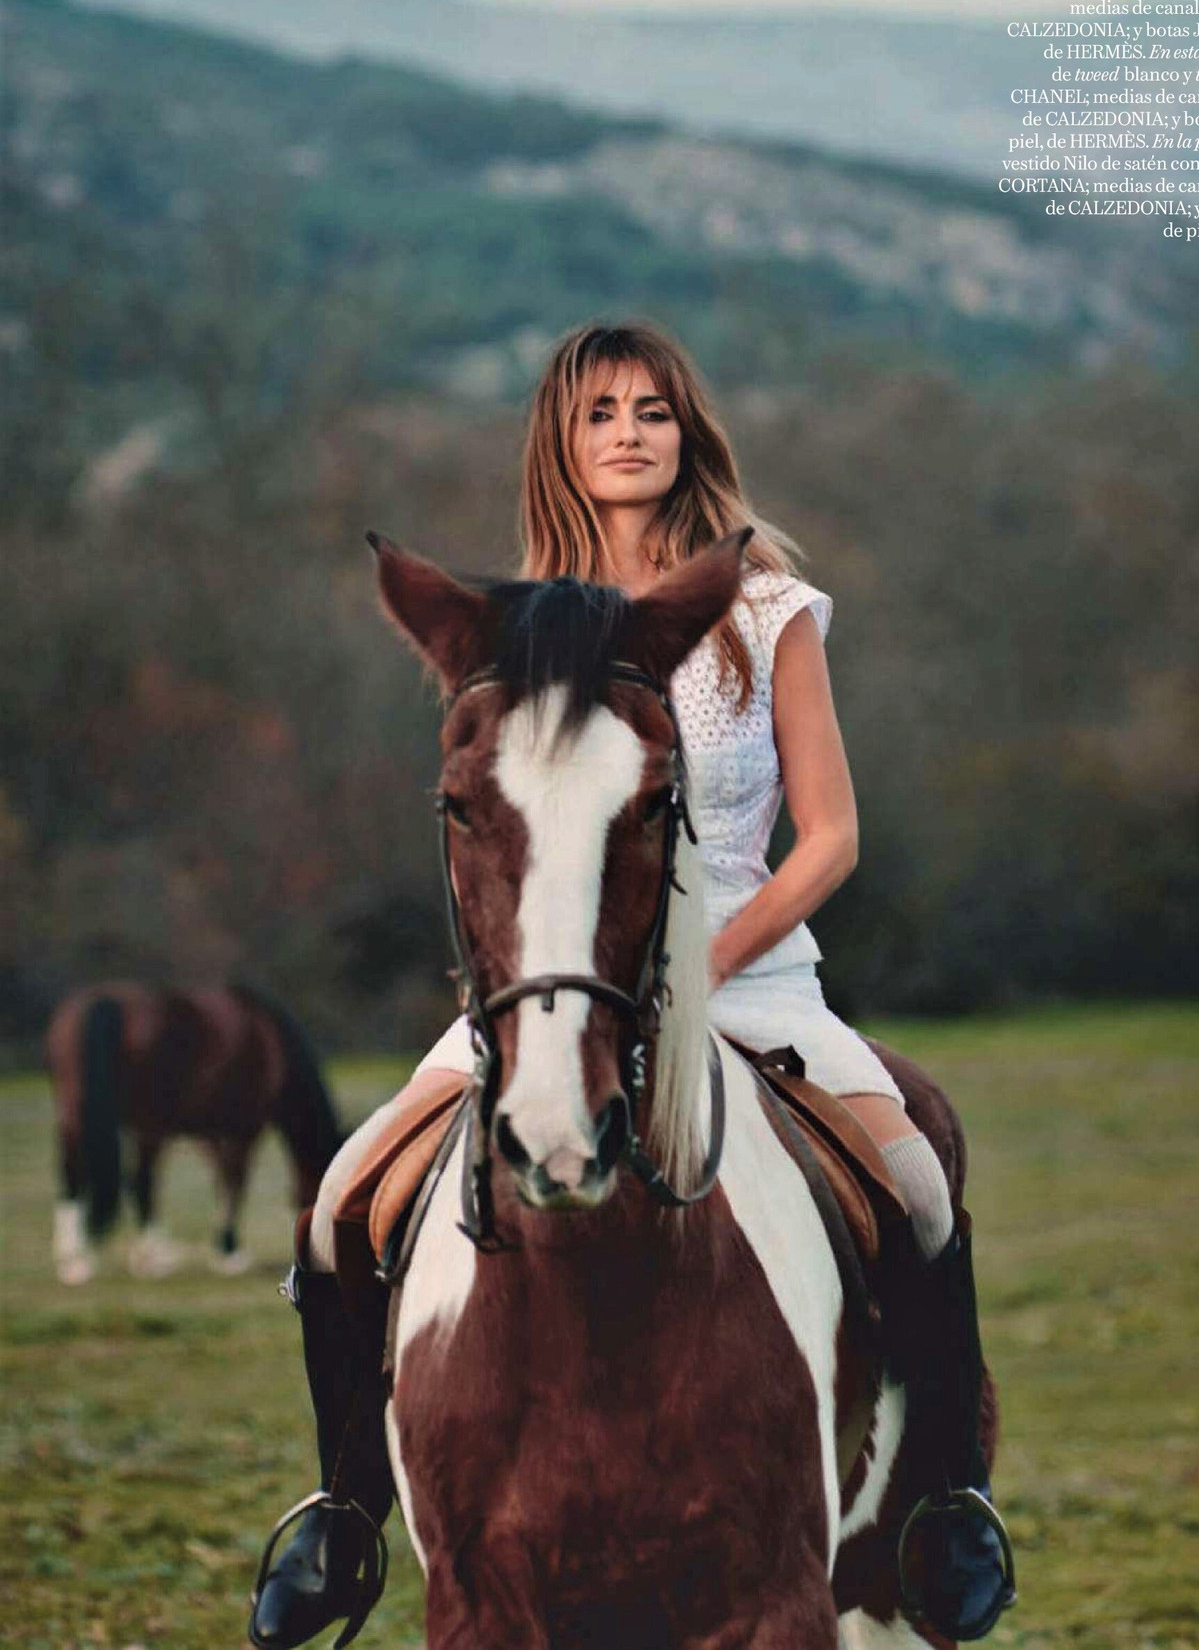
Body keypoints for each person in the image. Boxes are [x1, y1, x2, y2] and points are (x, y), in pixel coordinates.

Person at [249, 321, 1013, 1647]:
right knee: (337, 1207)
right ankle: (347, 1510)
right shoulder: (520, 632)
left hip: (750, 987)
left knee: (917, 1187)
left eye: (653, 410)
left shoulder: (765, 610)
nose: (628, 434)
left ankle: (942, 1504)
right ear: (561, 438)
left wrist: (700, 966)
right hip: (551, 993)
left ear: (686, 432)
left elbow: (830, 836)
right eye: (600, 412)